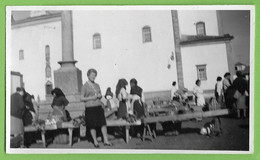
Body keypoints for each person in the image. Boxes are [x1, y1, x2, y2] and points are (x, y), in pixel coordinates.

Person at [80, 69, 112, 148]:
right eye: (92, 75)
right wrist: (92, 97)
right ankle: (95, 141)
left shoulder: (97, 85)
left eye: (94, 75)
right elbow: (81, 98)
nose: (93, 77)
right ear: (88, 75)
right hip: (90, 108)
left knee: (103, 124)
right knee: (92, 125)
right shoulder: (84, 86)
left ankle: (106, 140)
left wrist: (100, 96)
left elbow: (100, 94)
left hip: (98, 107)